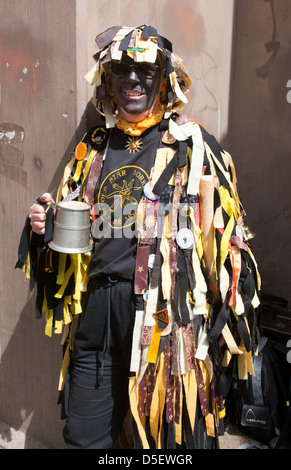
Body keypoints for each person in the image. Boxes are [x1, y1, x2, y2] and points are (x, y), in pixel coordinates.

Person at [16, 25, 261, 449]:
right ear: (108, 82)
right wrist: (44, 227)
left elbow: (223, 246)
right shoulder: (92, 148)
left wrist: (224, 327)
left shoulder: (193, 146)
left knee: (174, 439)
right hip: (96, 317)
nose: (133, 81)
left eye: (145, 72)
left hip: (165, 320)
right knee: (83, 436)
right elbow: (73, 244)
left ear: (164, 81)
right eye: (123, 71)